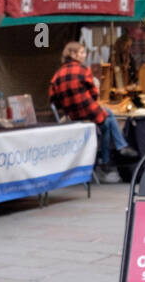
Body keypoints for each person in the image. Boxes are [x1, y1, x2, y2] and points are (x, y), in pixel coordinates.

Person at [48, 41, 137, 182]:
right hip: (87, 112)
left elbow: (53, 100)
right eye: (82, 52)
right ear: (73, 54)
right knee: (108, 114)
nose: (84, 55)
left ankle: (107, 160)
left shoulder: (57, 75)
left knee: (106, 124)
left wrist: (68, 106)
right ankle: (117, 150)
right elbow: (94, 93)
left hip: (72, 116)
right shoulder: (83, 70)